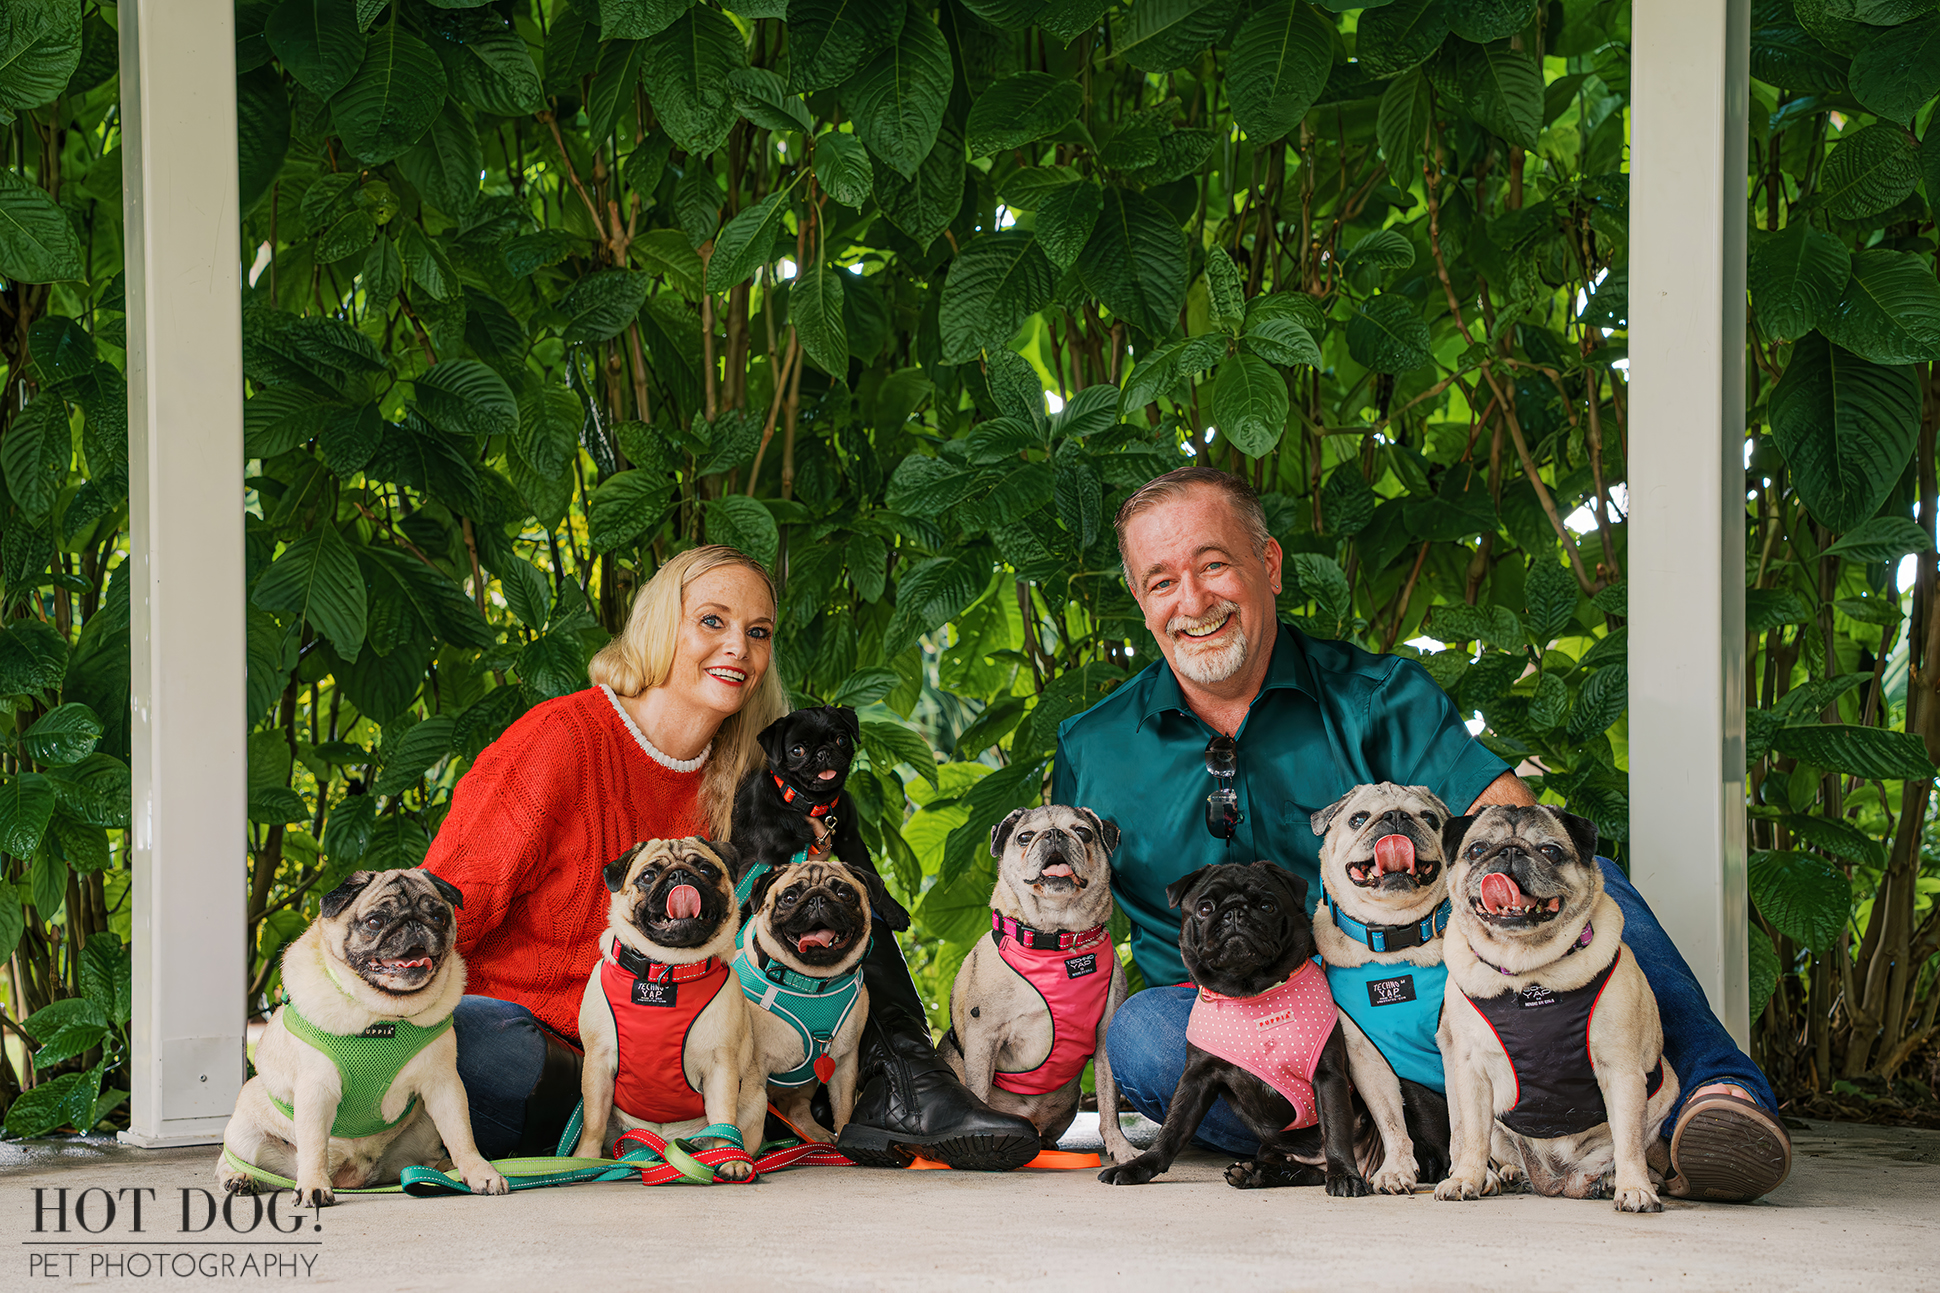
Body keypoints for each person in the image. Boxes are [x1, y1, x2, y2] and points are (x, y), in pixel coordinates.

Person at [1052, 466, 1793, 1202]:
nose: (1193, 601)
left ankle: (1715, 1096)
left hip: (1431, 995)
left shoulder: (1380, 698)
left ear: (1269, 566)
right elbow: (1054, 924)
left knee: (1589, 882)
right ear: (1141, 601)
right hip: (1257, 1034)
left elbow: (1517, 830)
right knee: (1146, 1035)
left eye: (1214, 565)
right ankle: (1399, 1140)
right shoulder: (1093, 744)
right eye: (1162, 581)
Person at [424, 545, 1040, 1168]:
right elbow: (444, 907)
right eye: (712, 621)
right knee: (480, 1038)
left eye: (758, 632)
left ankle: (908, 1081)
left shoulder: (754, 778)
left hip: (708, 1069)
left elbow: (819, 926)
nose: (738, 648)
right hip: (560, 1053)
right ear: (661, 625)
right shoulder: (561, 740)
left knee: (832, 884)